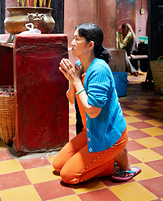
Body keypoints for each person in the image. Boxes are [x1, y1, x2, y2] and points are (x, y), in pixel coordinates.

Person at [53, 23, 141, 184]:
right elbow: (72, 99)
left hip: (107, 135)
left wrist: (77, 82)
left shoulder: (99, 69)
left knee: (68, 176)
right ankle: (107, 159)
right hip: (91, 132)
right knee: (58, 165)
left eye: (77, 39)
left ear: (90, 45)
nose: (72, 43)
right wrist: (72, 81)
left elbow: (93, 111)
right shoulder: (80, 66)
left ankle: (111, 161)